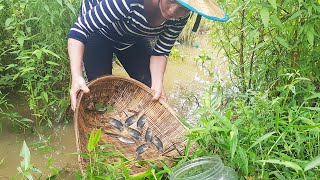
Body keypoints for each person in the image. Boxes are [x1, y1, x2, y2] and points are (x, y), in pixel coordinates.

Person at [67, 0, 228, 111]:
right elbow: (79, 30)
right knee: (99, 97)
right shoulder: (130, 2)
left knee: (152, 89)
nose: (173, 11)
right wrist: (76, 75)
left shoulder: (181, 16)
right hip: (98, 33)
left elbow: (161, 51)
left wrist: (158, 83)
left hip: (131, 36)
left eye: (183, 7)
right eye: (172, 0)